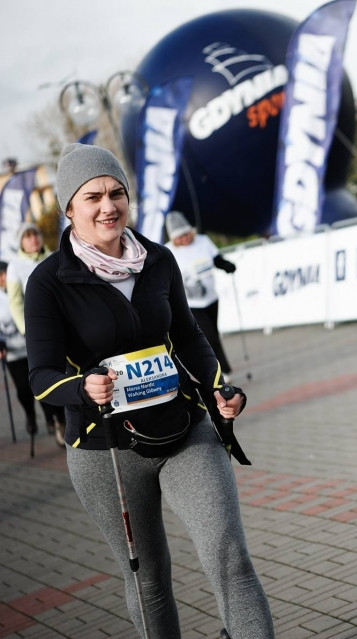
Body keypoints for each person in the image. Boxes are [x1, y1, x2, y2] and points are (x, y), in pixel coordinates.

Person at [25, 143, 274, 639]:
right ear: (69, 208)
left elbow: (189, 336)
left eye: (117, 193)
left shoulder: (158, 259)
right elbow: (41, 377)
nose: (108, 206)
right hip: (105, 452)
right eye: (92, 196)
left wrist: (220, 389)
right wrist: (82, 387)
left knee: (229, 556)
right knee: (149, 579)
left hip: (184, 429)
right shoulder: (49, 281)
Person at [7, 221, 66, 444]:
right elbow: (15, 303)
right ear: (21, 242)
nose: (33, 239)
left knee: (61, 377)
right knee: (36, 382)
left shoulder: (55, 257)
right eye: (28, 236)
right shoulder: (15, 266)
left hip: (60, 332)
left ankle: (61, 419)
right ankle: (46, 417)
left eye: (36, 235)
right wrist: (28, 330)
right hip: (33, 336)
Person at [164, 211, 237, 383]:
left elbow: (216, 259)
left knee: (214, 334)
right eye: (179, 237)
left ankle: (219, 369)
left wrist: (227, 265)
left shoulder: (203, 241)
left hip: (211, 298)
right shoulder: (168, 251)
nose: (184, 239)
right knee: (208, 336)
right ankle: (220, 372)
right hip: (191, 303)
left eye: (186, 234)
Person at [0, 260, 37, 439]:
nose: (3, 278)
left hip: (32, 347)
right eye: (0, 275)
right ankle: (30, 415)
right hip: (12, 352)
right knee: (23, 389)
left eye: (5, 273)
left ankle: (55, 420)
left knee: (42, 385)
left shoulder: (23, 288)